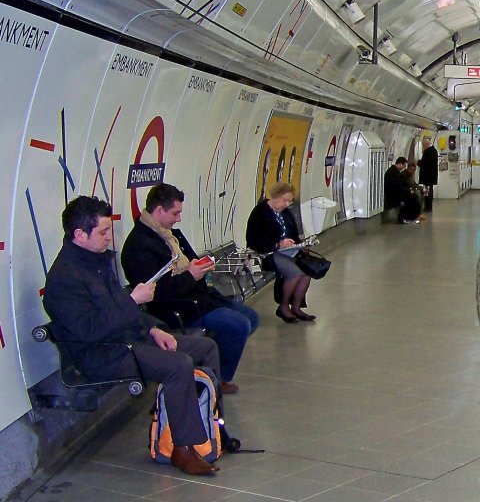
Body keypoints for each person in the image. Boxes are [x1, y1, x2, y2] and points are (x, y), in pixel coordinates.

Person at [43, 196, 222, 476]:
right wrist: (132, 302)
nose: (109, 238)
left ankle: (210, 423)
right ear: (80, 235)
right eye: (102, 232)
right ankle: (183, 449)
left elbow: (120, 308)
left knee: (205, 347)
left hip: (129, 338)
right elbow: (89, 331)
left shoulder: (96, 263)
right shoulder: (64, 278)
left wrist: (153, 328)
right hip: (102, 353)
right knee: (179, 365)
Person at [121, 183, 258, 395]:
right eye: (175, 213)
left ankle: (212, 370)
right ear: (159, 211)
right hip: (178, 307)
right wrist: (191, 275)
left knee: (252, 318)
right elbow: (159, 295)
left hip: (196, 297)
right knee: (239, 325)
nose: (179, 218)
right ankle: (215, 379)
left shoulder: (171, 236)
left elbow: (192, 260)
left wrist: (201, 266)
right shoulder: (138, 247)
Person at [246, 181, 314, 323]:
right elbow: (253, 240)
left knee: (307, 274)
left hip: (290, 251)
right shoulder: (260, 213)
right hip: (271, 252)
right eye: (285, 200)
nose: (287, 204)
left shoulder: (285, 213)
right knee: (295, 275)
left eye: (289, 201)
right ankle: (283, 307)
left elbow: (293, 233)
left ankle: (296, 307)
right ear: (276, 196)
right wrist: (277, 244)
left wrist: (301, 245)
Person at [384, 157, 420, 223]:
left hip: (394, 193)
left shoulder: (394, 171)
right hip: (392, 195)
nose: (404, 167)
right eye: (404, 165)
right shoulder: (394, 172)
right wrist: (407, 191)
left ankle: (410, 217)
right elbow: (397, 186)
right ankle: (404, 218)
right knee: (411, 198)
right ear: (400, 164)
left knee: (412, 197)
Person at [418, 135, 438, 212]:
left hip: (428, 177)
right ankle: (428, 206)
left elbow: (426, 163)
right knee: (428, 191)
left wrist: (418, 162)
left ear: (426, 145)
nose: (423, 147)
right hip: (430, 177)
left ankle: (428, 206)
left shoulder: (429, 152)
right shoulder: (433, 150)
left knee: (428, 192)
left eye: (423, 146)